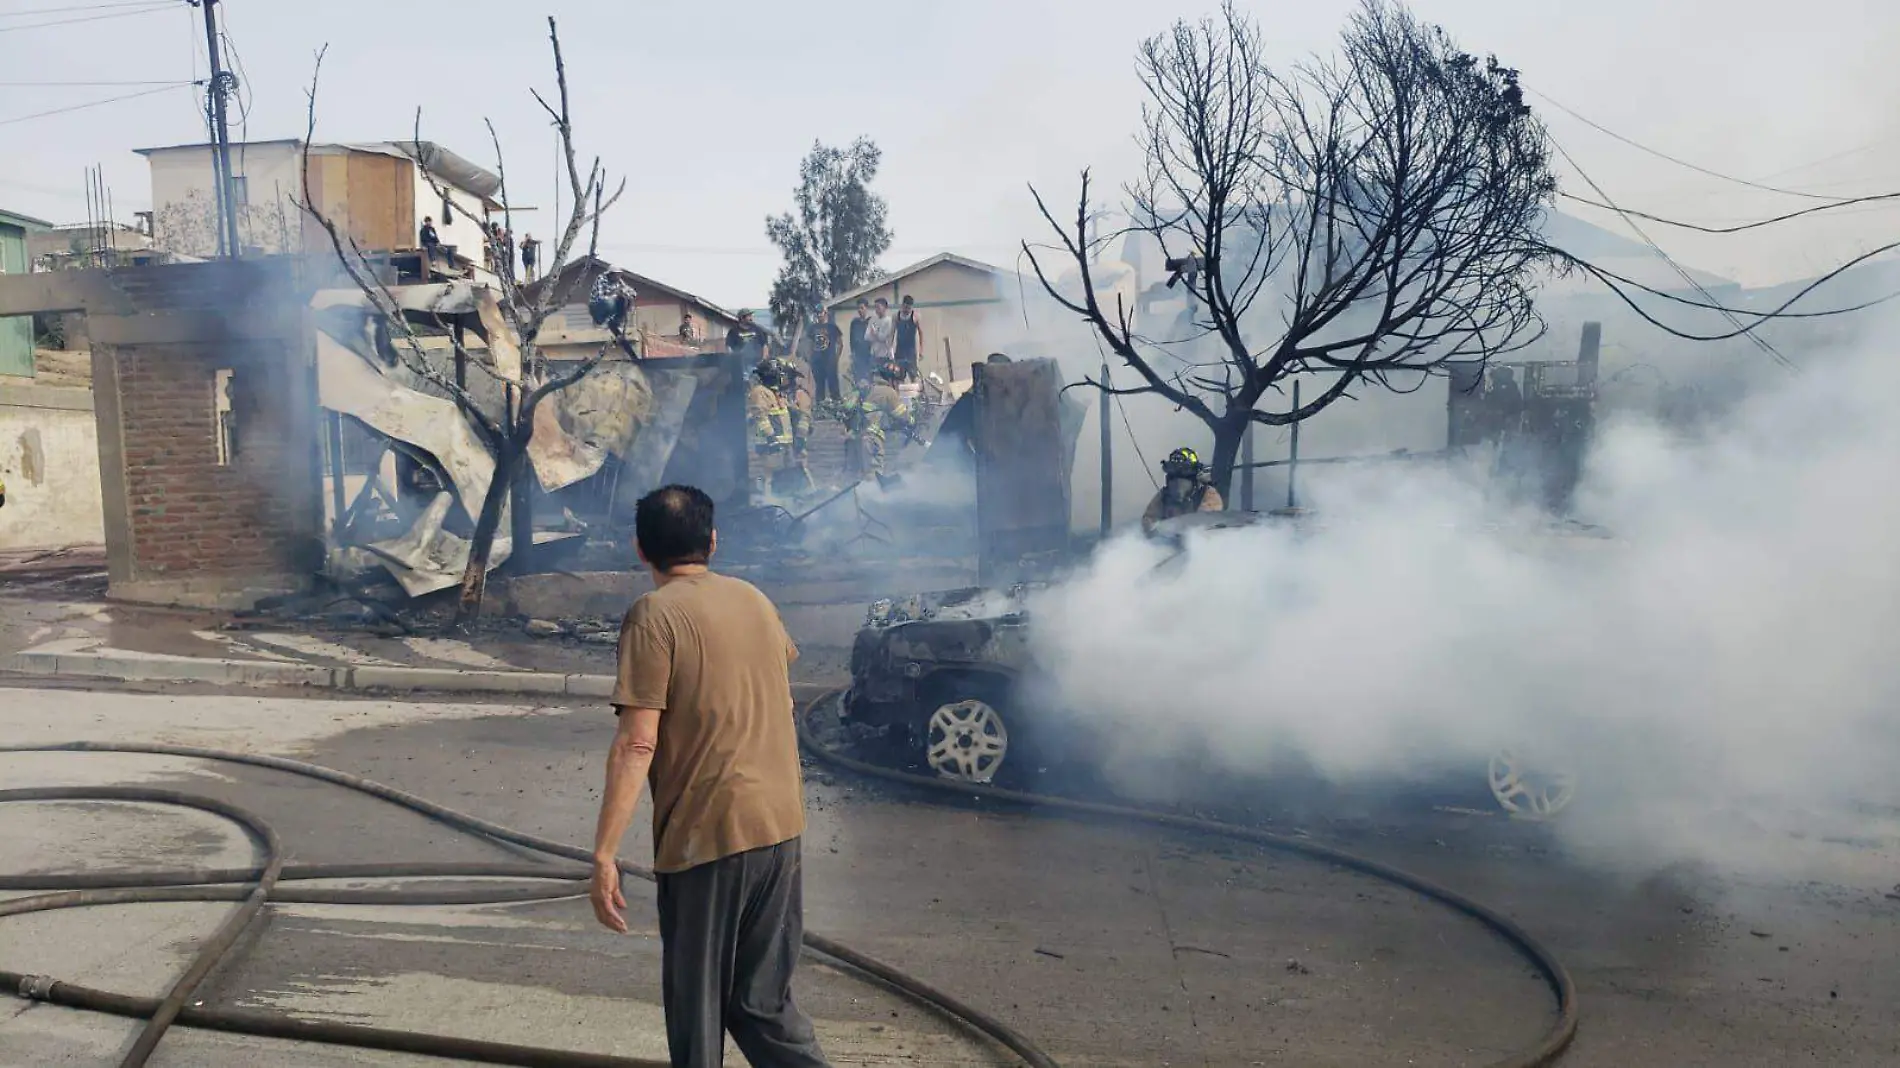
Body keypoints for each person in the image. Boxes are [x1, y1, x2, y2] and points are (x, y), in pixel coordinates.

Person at [590, 485, 832, 1068]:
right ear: (714, 542)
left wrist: (603, 855)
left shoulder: (654, 615)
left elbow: (637, 742)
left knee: (696, 1014)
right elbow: (781, 698)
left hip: (708, 838)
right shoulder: (754, 599)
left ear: (640, 550)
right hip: (779, 828)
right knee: (761, 1003)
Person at [748, 358, 811, 494]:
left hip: (784, 443)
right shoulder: (760, 391)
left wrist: (799, 436)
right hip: (770, 444)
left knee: (788, 476)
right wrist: (771, 438)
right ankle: (770, 501)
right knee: (771, 476)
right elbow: (761, 416)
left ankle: (790, 500)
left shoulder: (774, 392)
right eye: (777, 373)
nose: (780, 377)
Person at [1140, 446, 1223, 535]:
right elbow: (1149, 519)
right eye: (1174, 479)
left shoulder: (1207, 493)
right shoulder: (1164, 495)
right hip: (1167, 542)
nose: (1178, 486)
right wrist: (1153, 529)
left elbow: (1207, 521)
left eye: (1184, 480)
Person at [806, 311, 843, 405]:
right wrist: (810, 358)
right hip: (817, 361)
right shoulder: (812, 328)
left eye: (820, 313)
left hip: (830, 360)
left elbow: (840, 344)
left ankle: (837, 403)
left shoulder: (832, 327)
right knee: (819, 384)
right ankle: (820, 405)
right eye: (817, 313)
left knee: (833, 383)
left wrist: (836, 358)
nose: (819, 315)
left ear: (825, 313)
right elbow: (810, 344)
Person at [893, 294, 923, 378]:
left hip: (911, 351)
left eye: (909, 308)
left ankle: (915, 390)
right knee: (898, 376)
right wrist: (890, 350)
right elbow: (891, 334)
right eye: (905, 307)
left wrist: (921, 350)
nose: (907, 310)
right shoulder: (896, 316)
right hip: (900, 351)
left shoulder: (916, 316)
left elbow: (921, 333)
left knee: (913, 376)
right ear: (902, 305)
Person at [846, 299, 873, 388]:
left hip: (868, 355)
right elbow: (851, 339)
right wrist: (852, 353)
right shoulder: (854, 323)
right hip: (857, 355)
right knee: (858, 379)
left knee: (868, 379)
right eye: (858, 308)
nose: (859, 310)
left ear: (866, 308)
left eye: (862, 308)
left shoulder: (871, 321)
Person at [864, 297, 896, 371]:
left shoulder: (889, 321)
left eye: (878, 307)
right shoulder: (872, 320)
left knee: (886, 378)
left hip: (885, 355)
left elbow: (884, 337)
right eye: (875, 307)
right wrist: (876, 335)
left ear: (885, 308)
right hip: (874, 354)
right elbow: (866, 337)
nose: (876, 310)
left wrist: (875, 333)